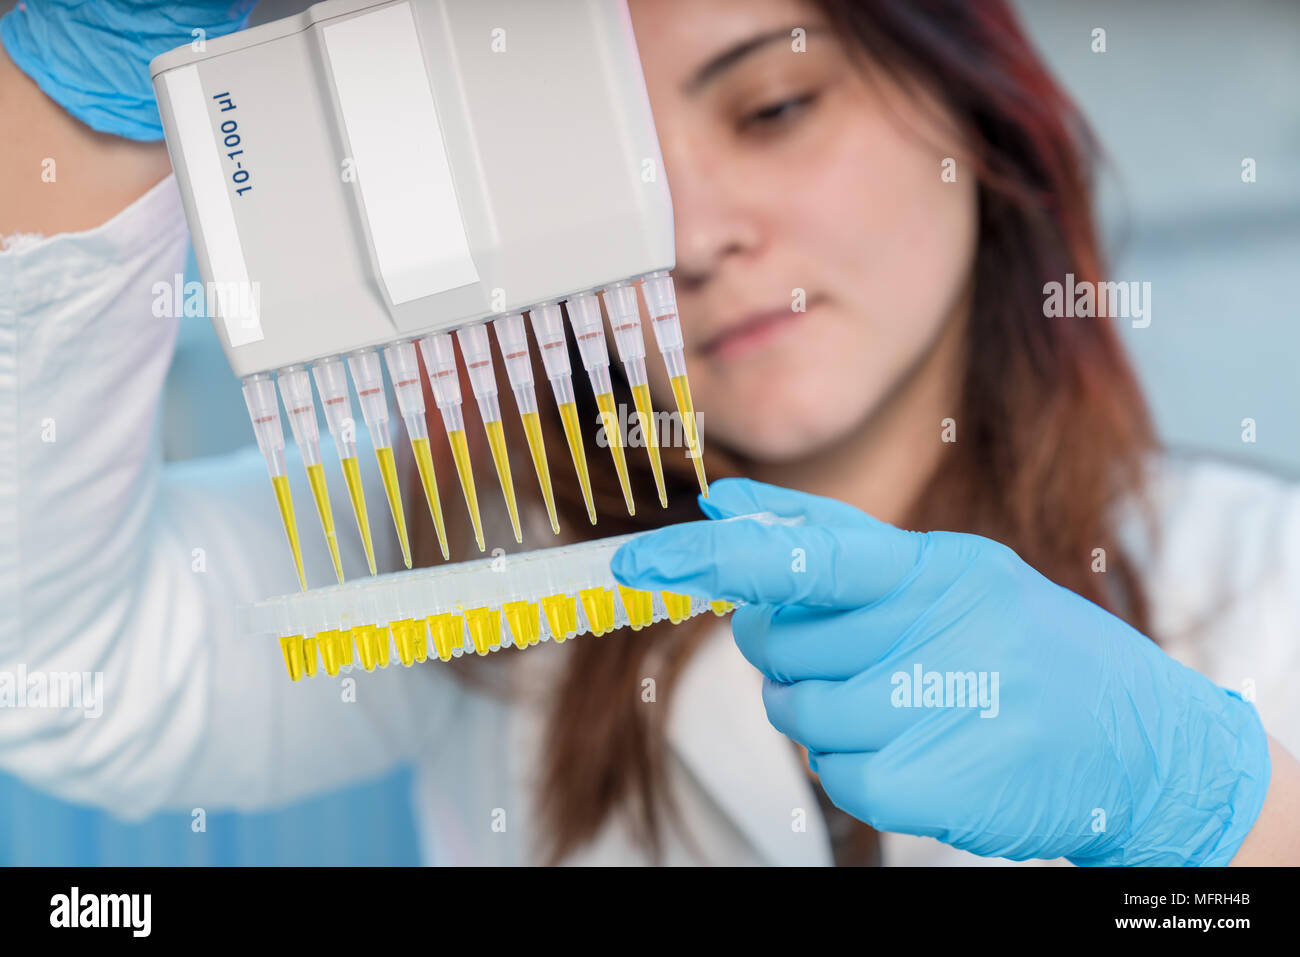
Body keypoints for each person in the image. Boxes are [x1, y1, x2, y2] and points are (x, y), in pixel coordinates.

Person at [1, 0, 1296, 867]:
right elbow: (61, 664)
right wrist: (72, 126)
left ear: (975, 110)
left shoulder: (1263, 579)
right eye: (599, 171)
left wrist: (1213, 811)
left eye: (774, 106)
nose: (684, 235)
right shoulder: (483, 552)